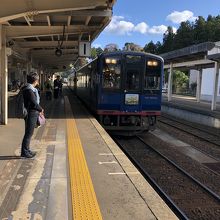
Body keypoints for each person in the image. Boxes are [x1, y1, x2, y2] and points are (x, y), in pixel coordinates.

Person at [21, 72, 44, 158]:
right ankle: (24, 152)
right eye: (37, 80)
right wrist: (41, 109)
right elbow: (33, 103)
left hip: (32, 112)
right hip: (31, 113)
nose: (38, 82)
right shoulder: (29, 90)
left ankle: (26, 150)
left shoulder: (29, 88)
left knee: (29, 133)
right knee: (28, 133)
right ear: (35, 80)